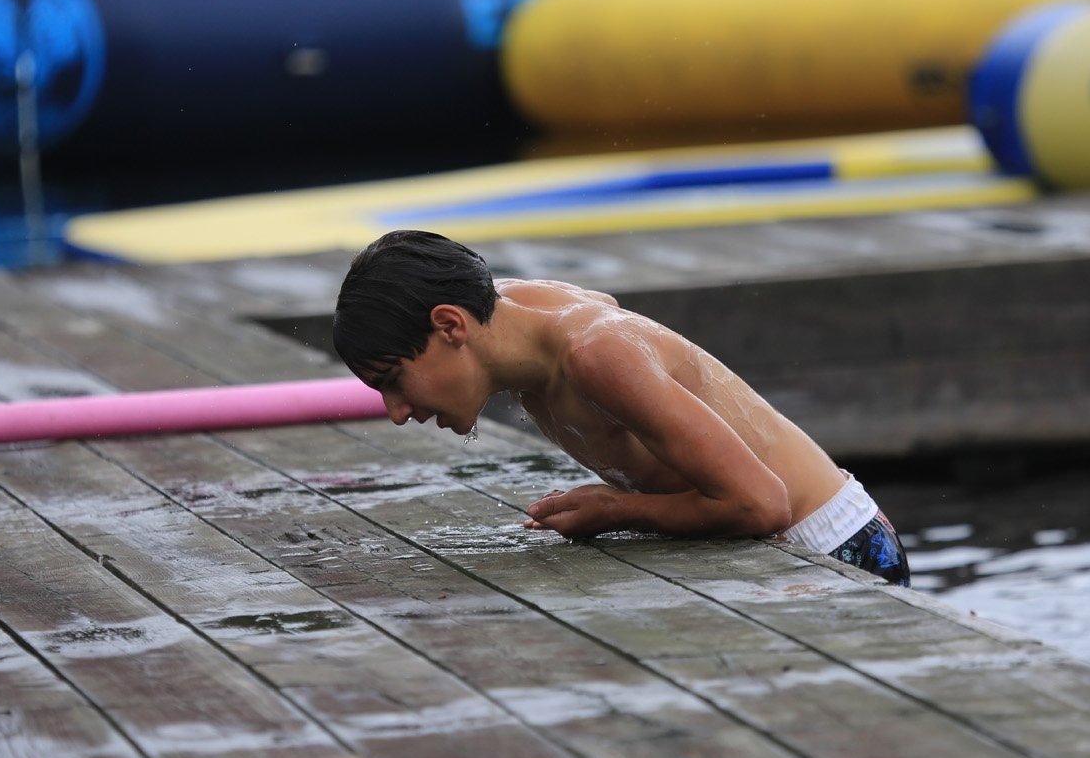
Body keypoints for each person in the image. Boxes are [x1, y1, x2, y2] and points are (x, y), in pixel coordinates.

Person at [333, 229, 910, 586]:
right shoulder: (507, 314)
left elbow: (761, 505)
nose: (396, 412)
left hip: (836, 548)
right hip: (791, 535)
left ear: (450, 326)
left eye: (393, 380)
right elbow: (600, 299)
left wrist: (616, 509)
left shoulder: (594, 355)